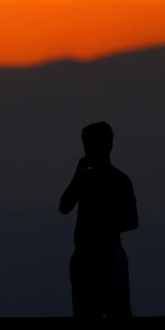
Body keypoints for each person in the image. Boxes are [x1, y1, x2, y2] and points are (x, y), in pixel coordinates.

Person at [59, 121, 138, 318]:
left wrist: (103, 229)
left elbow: (132, 220)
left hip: (109, 256)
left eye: (94, 144)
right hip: (84, 257)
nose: (89, 150)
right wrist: (78, 175)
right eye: (87, 145)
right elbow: (64, 207)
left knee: (117, 311)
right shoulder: (84, 179)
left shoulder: (120, 180)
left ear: (108, 146)